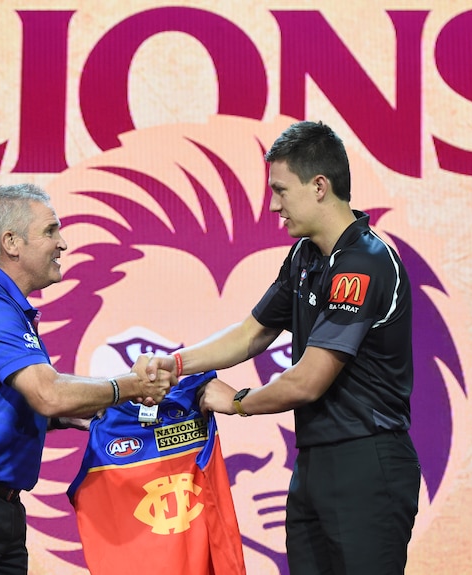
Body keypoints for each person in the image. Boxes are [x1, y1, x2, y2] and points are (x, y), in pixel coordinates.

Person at [146, 121, 421, 575]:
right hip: (314, 464)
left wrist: (236, 402)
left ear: (319, 187)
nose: (273, 205)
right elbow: (251, 334)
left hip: (367, 465)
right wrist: (174, 364)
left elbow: (309, 380)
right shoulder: (305, 257)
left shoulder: (362, 263)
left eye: (280, 190)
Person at [0, 183, 174, 575]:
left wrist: (71, 414)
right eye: (50, 231)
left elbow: (13, 402)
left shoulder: (4, 306)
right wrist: (132, 385)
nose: (62, 244)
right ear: (12, 242)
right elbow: (47, 393)